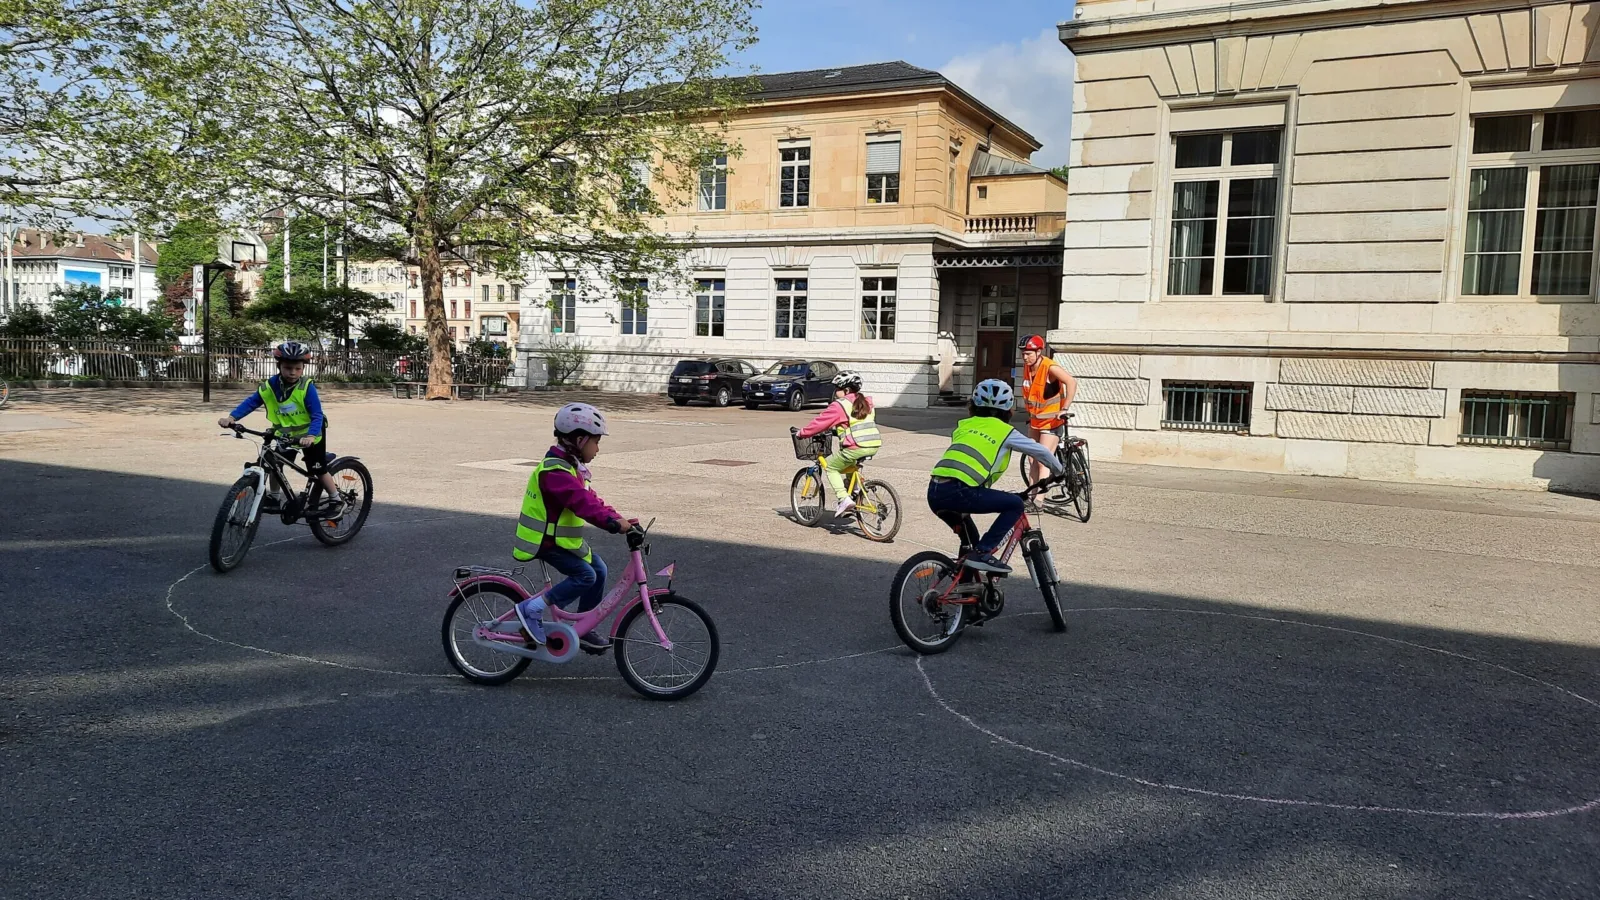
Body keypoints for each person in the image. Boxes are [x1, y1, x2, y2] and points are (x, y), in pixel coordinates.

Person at [510, 402, 640, 650]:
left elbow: (593, 500)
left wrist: (621, 518)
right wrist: (612, 524)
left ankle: (584, 627)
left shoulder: (571, 468)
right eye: (596, 442)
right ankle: (530, 609)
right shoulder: (555, 472)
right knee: (585, 575)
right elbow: (582, 505)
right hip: (544, 542)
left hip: (561, 540)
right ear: (580, 440)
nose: (598, 449)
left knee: (599, 569)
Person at [927, 379, 1065, 574]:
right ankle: (983, 553)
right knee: (1015, 504)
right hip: (961, 491)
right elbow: (1041, 452)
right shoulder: (1005, 431)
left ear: (972, 406)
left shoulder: (963, 426)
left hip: (935, 490)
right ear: (1008, 411)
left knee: (969, 538)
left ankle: (964, 585)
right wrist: (1060, 471)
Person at [216, 341, 341, 512]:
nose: (293, 372)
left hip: (311, 435)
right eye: (288, 368)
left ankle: (336, 500)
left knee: (317, 469)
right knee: (274, 463)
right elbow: (252, 402)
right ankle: (274, 497)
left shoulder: (306, 387)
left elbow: (317, 415)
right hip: (285, 435)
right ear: (279, 366)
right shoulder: (270, 386)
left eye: (298, 368)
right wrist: (231, 417)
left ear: (303, 368)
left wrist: (311, 436)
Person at [792, 371, 883, 516]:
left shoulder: (841, 405)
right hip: (873, 444)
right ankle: (855, 492)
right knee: (849, 466)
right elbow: (855, 424)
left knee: (831, 468)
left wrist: (802, 433)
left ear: (846, 390)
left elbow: (820, 423)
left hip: (856, 447)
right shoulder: (866, 402)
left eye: (837, 389)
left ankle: (844, 499)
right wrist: (838, 431)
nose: (835, 393)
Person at [1017, 334, 1078, 492]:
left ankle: (1038, 501)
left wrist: (1064, 408)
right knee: (1032, 459)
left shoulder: (1049, 367)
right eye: (1023, 353)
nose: (1025, 357)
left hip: (1051, 421)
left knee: (1042, 460)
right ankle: (1031, 495)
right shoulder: (1028, 367)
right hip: (1035, 421)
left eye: (1028, 354)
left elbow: (1071, 381)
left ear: (1038, 352)